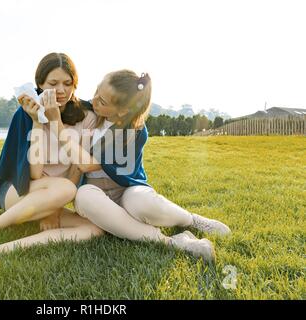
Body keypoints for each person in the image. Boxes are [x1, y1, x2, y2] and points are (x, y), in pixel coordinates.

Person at [0, 53, 103, 272]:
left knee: (92, 229)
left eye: (67, 83)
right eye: (53, 84)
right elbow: (33, 174)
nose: (61, 90)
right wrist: (37, 121)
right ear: (40, 84)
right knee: (64, 187)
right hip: (21, 192)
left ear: (75, 84)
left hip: (57, 195)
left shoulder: (86, 115)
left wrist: (54, 208)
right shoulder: (29, 111)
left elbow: (78, 167)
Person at [71, 70, 231, 262]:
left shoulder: (133, 132)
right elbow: (64, 102)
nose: (94, 100)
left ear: (122, 111)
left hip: (125, 191)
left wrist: (56, 124)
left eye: (102, 101)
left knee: (140, 202)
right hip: (95, 195)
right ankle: (172, 242)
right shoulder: (90, 109)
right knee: (84, 195)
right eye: (97, 91)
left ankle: (191, 220)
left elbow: (87, 165)